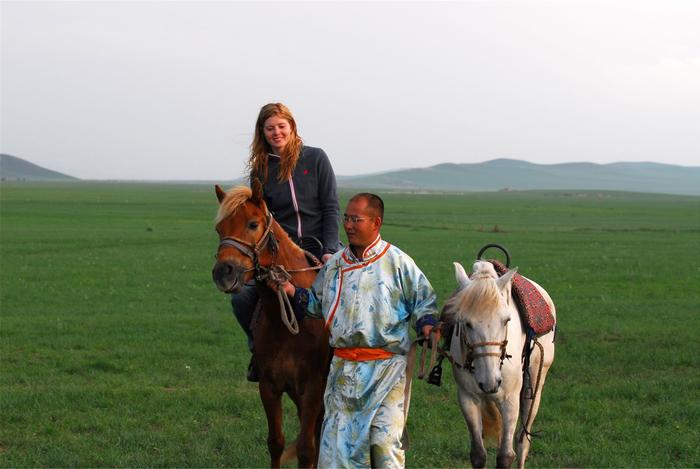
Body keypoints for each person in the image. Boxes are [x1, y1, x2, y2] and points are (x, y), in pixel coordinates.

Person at [274, 193, 438, 468]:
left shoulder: (398, 262)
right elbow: (317, 303)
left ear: (376, 222)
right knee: (338, 452)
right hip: (343, 371)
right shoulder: (335, 264)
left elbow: (423, 300)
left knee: (384, 444)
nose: (348, 225)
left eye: (355, 219)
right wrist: (290, 290)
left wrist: (428, 324)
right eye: (346, 218)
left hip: (388, 369)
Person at [231, 102, 340, 381]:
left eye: (281, 126)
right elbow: (261, 217)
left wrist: (329, 250)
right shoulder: (261, 170)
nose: (276, 132)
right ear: (262, 132)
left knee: (349, 288)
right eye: (270, 128)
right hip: (280, 252)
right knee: (242, 297)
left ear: (292, 127)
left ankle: (343, 353)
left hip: (320, 245)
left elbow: (330, 206)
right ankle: (259, 352)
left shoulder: (315, 159)